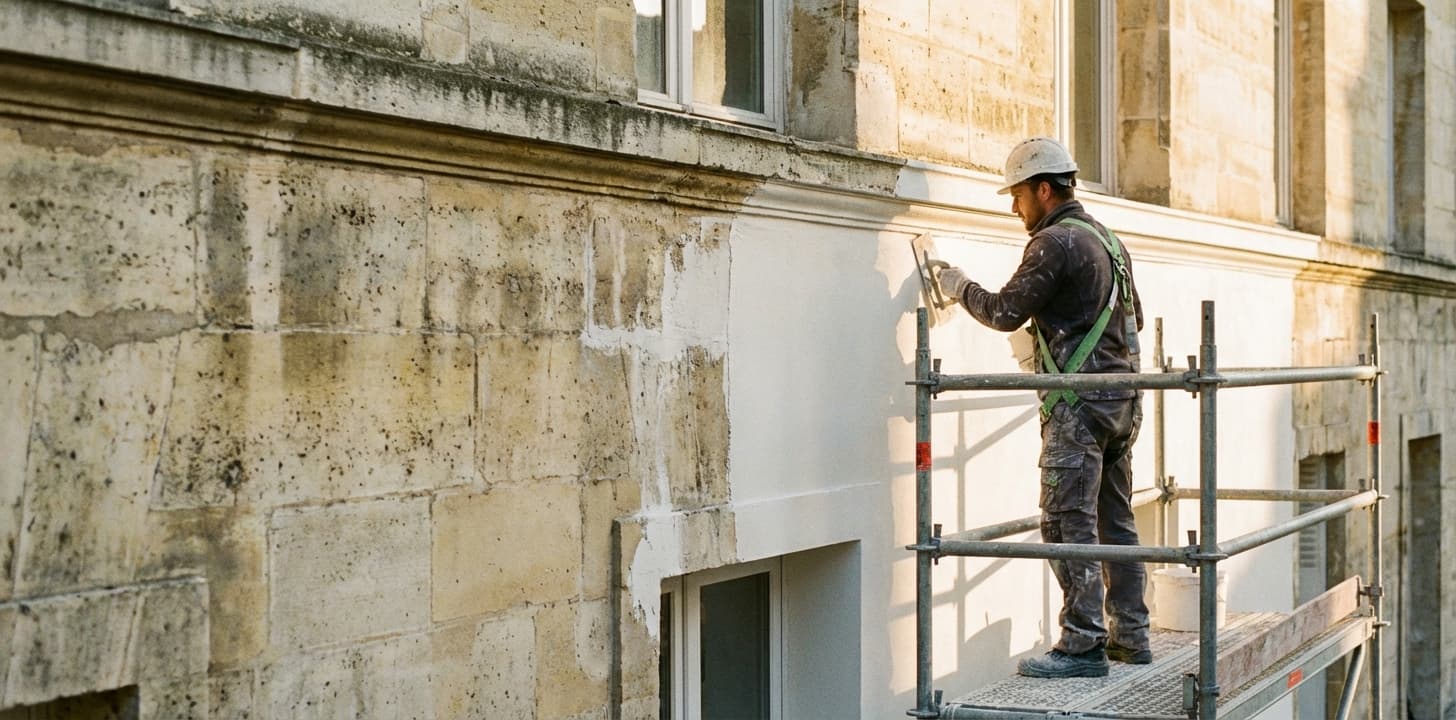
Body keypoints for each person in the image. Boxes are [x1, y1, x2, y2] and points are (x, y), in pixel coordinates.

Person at [934, 137, 1151, 678]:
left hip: (1079, 408)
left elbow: (1006, 311)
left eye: (1018, 195)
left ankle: (1082, 645)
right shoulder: (1108, 239)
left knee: (1065, 521)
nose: (1014, 207)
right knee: (1115, 521)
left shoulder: (1055, 243)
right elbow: (1134, 321)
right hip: (1121, 404)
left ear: (1044, 189)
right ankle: (1131, 635)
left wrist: (957, 285)